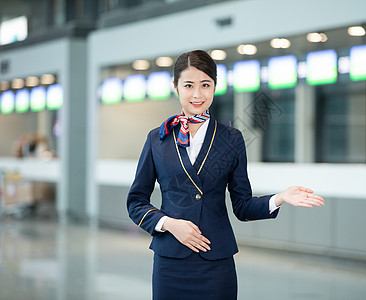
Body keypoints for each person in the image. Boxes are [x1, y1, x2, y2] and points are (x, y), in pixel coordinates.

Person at [127, 50, 325, 300]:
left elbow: (242, 206)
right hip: (170, 263)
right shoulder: (158, 139)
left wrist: (280, 198)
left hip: (216, 263)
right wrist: (170, 224)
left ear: (214, 87)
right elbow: (135, 202)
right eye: (188, 85)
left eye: (205, 85)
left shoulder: (231, 139)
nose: (197, 94)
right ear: (175, 86)